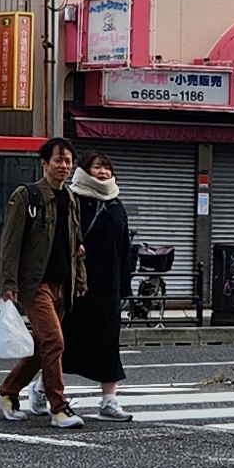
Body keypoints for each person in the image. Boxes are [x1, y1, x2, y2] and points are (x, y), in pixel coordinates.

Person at [0, 140, 84, 423]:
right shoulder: (27, 196)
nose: (64, 166)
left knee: (42, 344)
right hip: (35, 284)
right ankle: (58, 406)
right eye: (58, 160)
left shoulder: (71, 199)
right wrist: (8, 285)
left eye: (68, 161)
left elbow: (76, 245)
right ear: (44, 163)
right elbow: (10, 243)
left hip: (62, 284)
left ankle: (7, 393)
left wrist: (80, 280)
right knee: (54, 341)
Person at [71, 153, 135, 421]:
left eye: (108, 167)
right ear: (85, 170)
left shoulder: (116, 205)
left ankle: (109, 400)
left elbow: (125, 248)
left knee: (109, 343)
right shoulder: (72, 200)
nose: (104, 172)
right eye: (97, 167)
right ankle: (44, 389)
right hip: (77, 285)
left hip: (108, 286)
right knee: (65, 342)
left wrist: (125, 286)